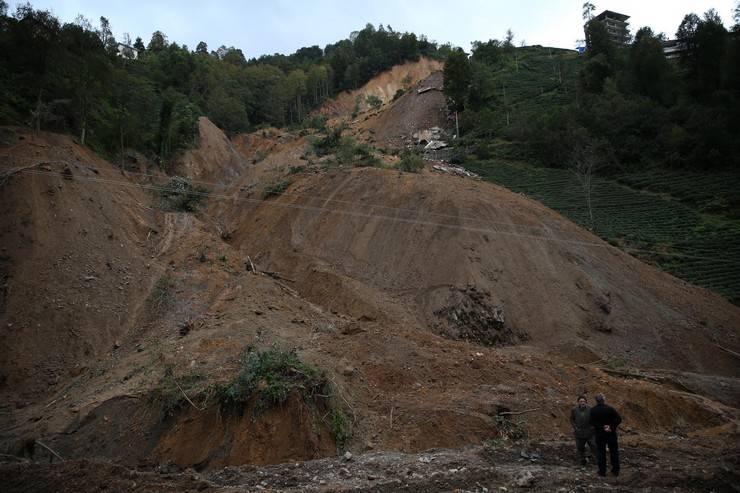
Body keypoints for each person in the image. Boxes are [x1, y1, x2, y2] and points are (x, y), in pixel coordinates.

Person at [589, 393, 622, 477]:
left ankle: (602, 471)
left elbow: (591, 422)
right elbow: (619, 419)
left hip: (600, 435)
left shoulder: (593, 410)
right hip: (611, 434)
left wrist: (601, 427)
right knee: (614, 452)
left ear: (596, 400)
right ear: (604, 400)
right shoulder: (610, 409)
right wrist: (610, 426)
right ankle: (615, 470)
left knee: (601, 453)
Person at [570, 395, 596, 465]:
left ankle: (598, 460)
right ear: (578, 402)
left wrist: (593, 427)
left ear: (586, 402)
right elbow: (572, 419)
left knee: (594, 446)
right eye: (581, 401)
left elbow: (595, 419)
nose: (582, 403)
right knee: (580, 447)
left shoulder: (591, 409)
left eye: (584, 401)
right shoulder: (574, 410)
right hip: (579, 433)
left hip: (590, 432)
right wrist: (575, 427)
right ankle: (582, 460)